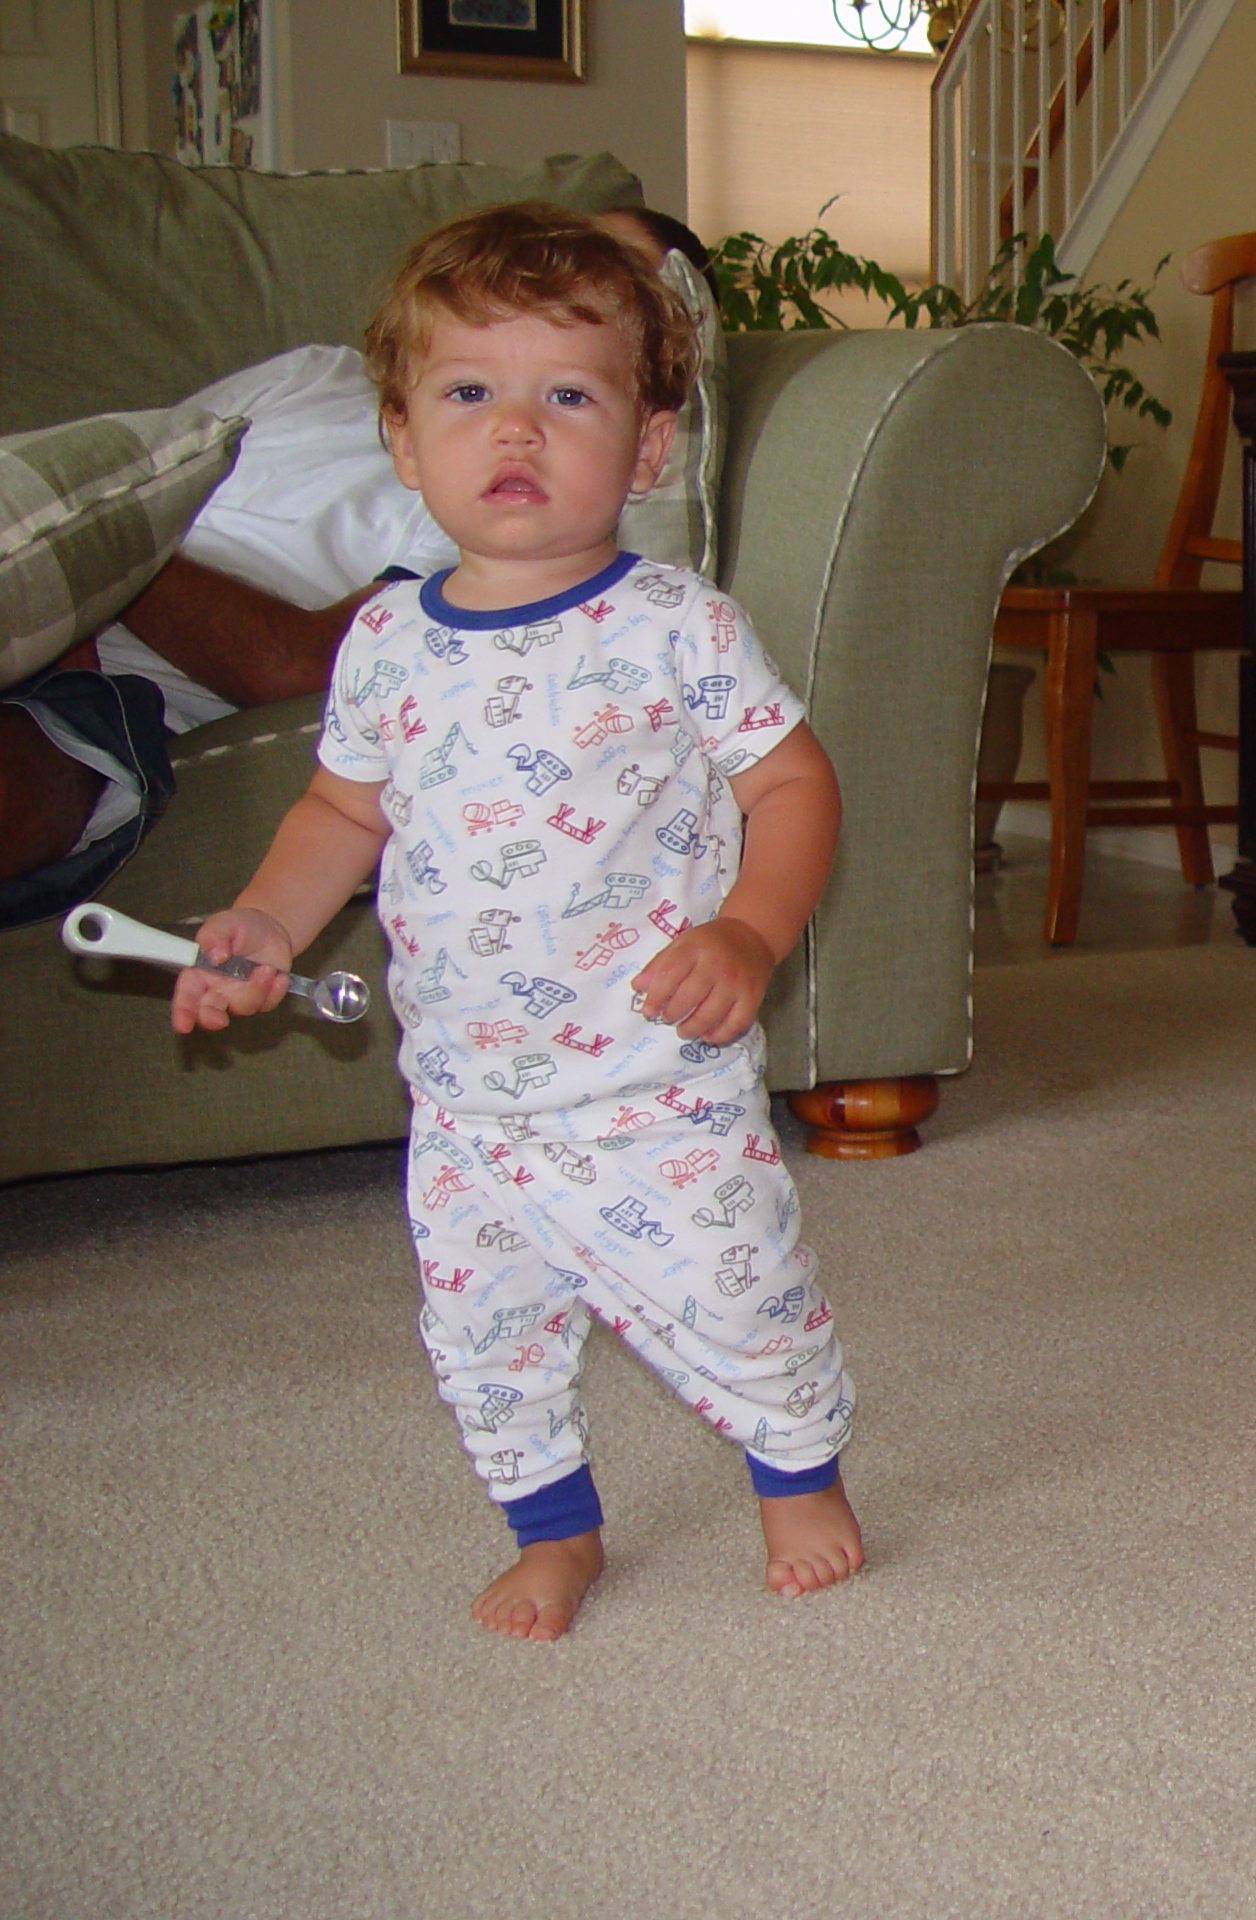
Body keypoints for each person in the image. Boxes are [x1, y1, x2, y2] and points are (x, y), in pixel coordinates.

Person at [170, 202, 859, 1643]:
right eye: (471, 394)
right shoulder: (383, 642)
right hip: (472, 1099)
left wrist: (747, 932)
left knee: (741, 1285)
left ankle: (796, 1474)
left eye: (569, 395)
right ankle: (555, 1529)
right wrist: (263, 926)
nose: (517, 432)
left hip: (654, 1077)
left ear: (648, 444)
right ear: (404, 438)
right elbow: (340, 823)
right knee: (487, 1339)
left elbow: (792, 783)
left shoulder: (676, 626)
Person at [0, 205, 712, 929]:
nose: (548, 286)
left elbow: (293, 679)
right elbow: (127, 471)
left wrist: (99, 572)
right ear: (400, 433)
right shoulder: (305, 373)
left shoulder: (511, 527)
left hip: (90, 680)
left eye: (603, 279)